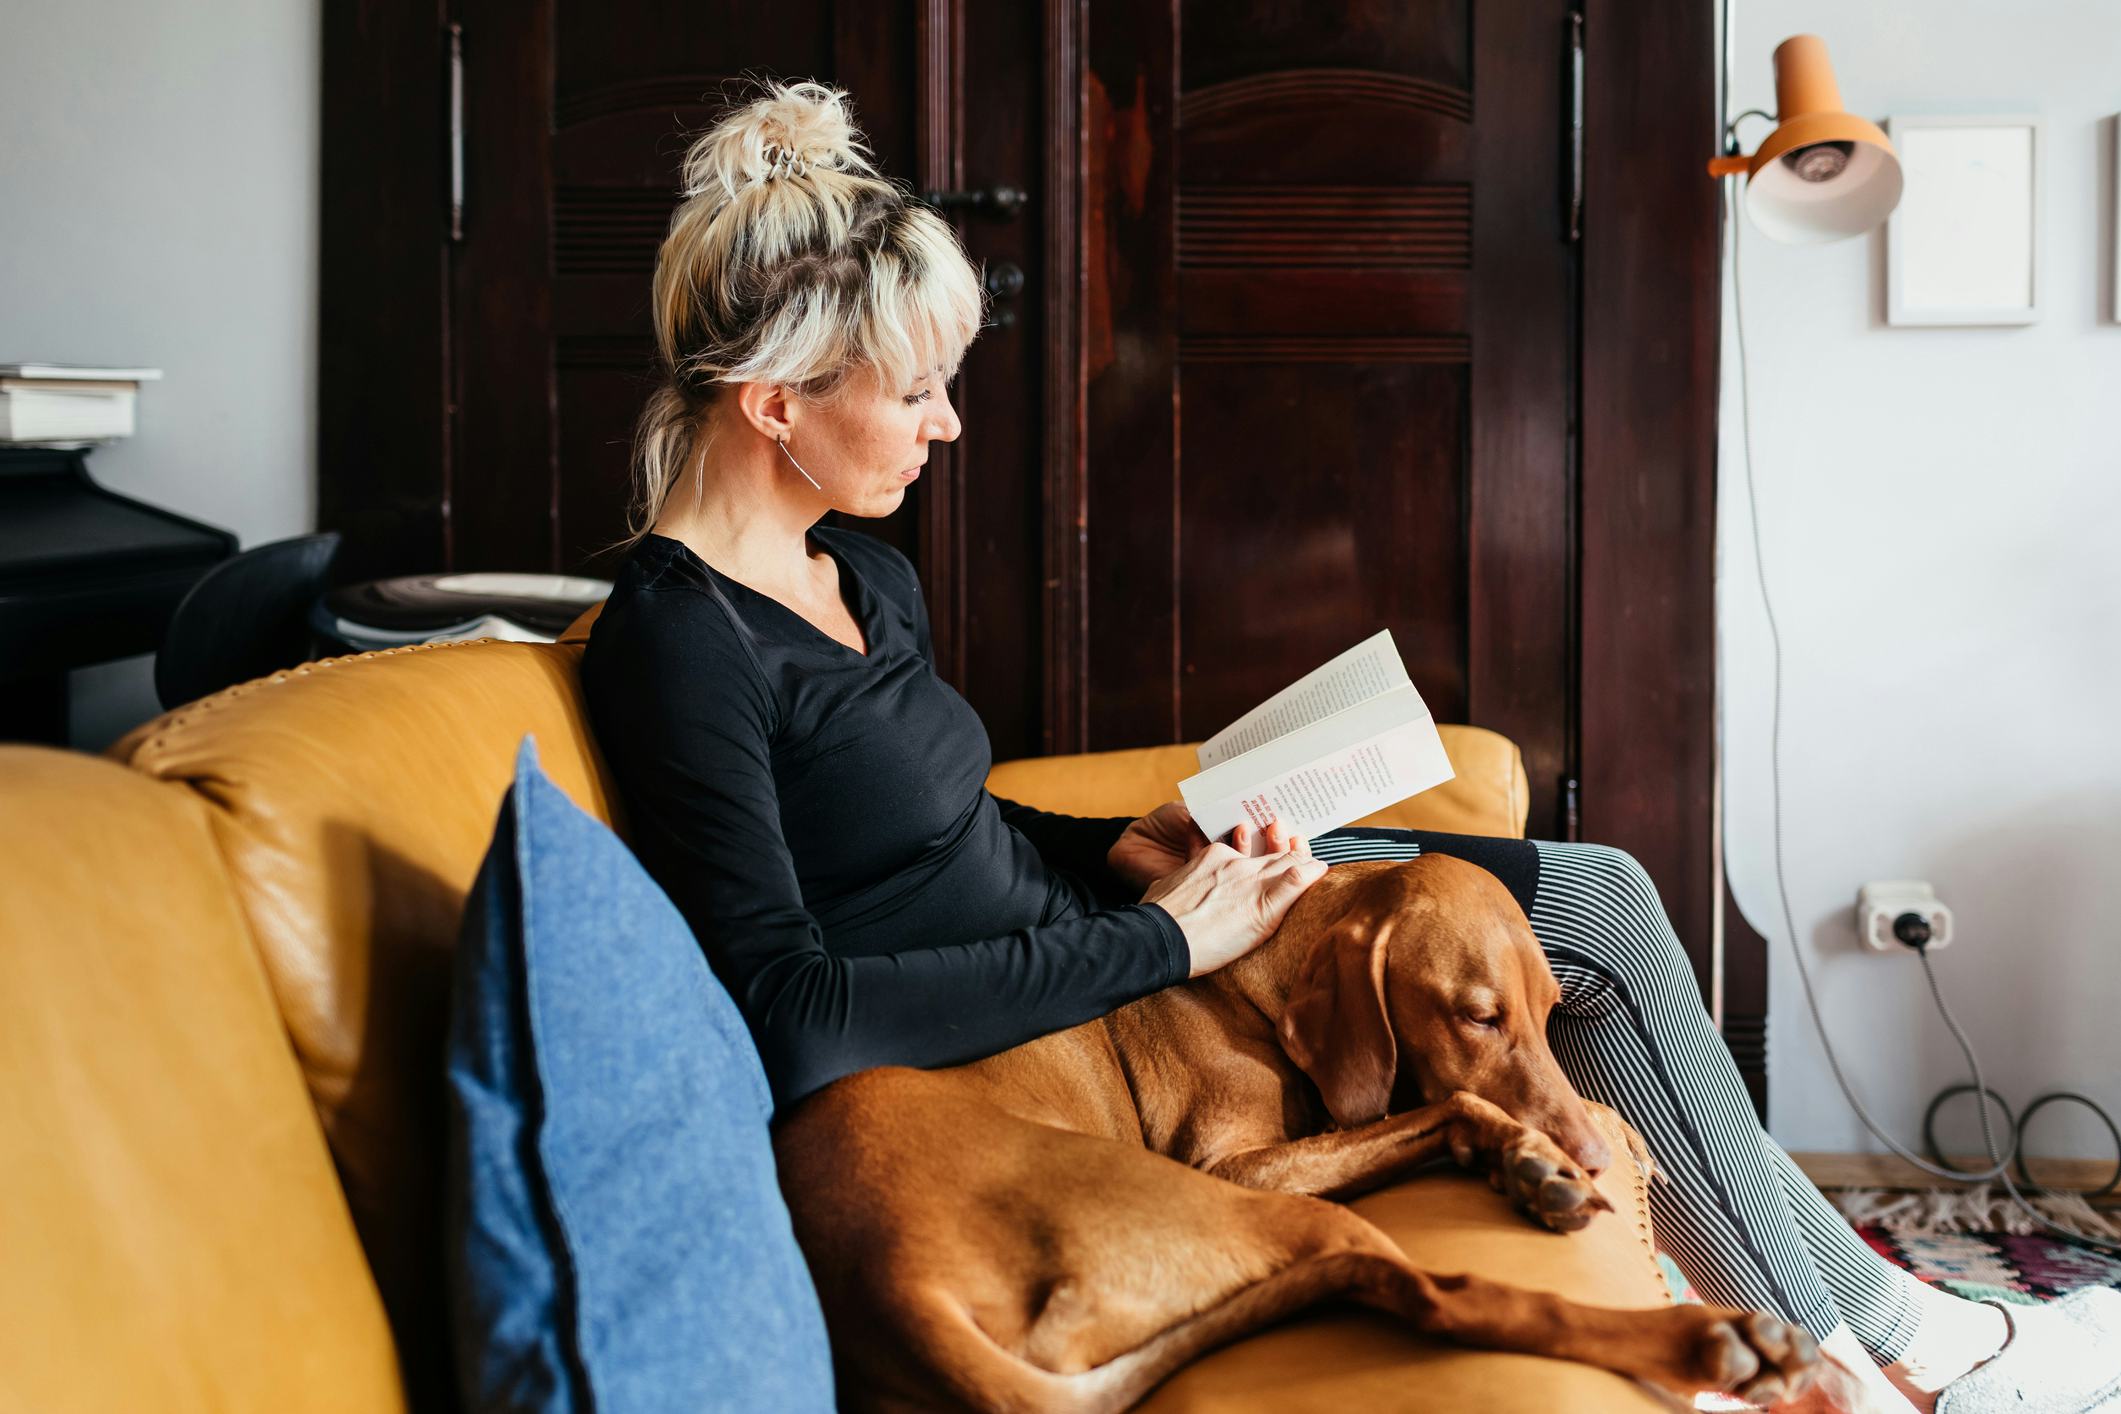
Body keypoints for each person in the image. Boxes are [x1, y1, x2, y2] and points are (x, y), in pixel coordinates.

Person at [578, 78, 2119, 1414]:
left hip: (1131, 930)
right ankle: (1889, 1333)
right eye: (914, 391)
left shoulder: (858, 570)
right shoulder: (678, 639)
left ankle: (1878, 1319)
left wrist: (1138, 848)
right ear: (773, 401)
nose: (946, 426)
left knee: (1592, 900)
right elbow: (784, 1007)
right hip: (1100, 994)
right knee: (1582, 915)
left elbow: (944, 818)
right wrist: (1152, 943)